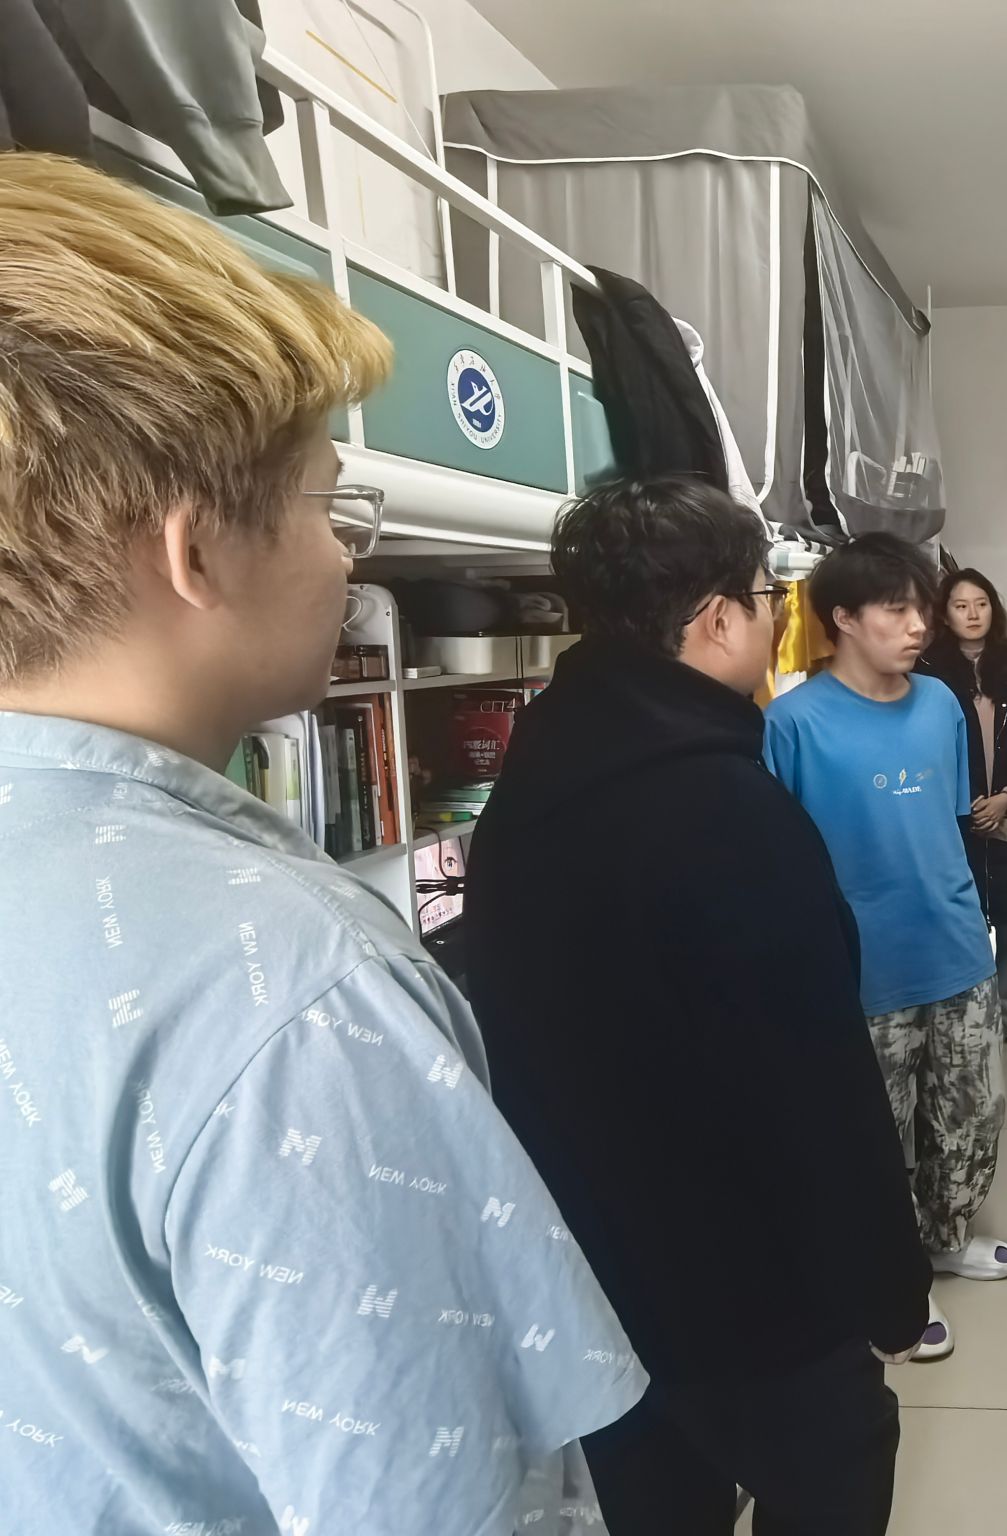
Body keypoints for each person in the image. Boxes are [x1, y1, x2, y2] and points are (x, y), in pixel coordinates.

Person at [0, 152, 644, 1535]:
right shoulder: (290, 988)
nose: (352, 559)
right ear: (196, 553)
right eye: (329, 502)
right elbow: (432, 1504)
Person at [463, 480, 932, 1534]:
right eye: (767, 597)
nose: (773, 619)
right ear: (717, 619)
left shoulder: (537, 774)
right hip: (746, 1284)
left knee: (658, 1498)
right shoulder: (723, 808)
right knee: (834, 1468)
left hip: (592, 1264)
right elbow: (813, 1079)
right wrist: (888, 1285)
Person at [763, 534, 1007, 1358]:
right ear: (842, 618)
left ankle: (946, 1237)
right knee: (874, 1135)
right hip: (858, 965)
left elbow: (947, 817)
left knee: (972, 1112)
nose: (919, 626)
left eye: (922, 610)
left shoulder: (940, 703)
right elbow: (777, 857)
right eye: (897, 610)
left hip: (954, 943)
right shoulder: (791, 723)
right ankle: (890, 1281)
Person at [920, 569, 1007, 1057]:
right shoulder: (926, 670)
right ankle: (968, 1017)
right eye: (961, 605)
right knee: (961, 915)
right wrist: (965, 801)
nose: (973, 614)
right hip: (952, 812)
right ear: (945, 614)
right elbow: (925, 743)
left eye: (980, 603)